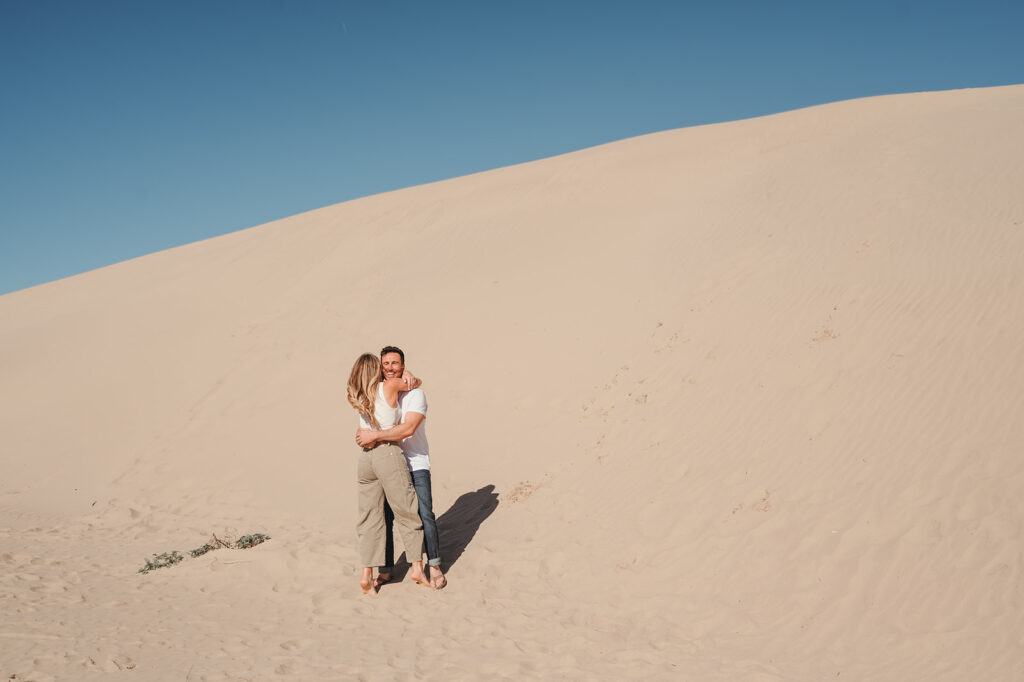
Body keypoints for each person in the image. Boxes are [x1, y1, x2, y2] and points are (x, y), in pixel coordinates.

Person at [356, 346, 447, 589]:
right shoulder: (381, 390)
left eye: (395, 363)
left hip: (414, 462)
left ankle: (434, 565)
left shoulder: (415, 394)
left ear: (403, 365)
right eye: (385, 364)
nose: (390, 368)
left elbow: (408, 429)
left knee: (424, 514)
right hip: (389, 462)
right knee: (385, 515)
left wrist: (374, 435)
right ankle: (386, 569)